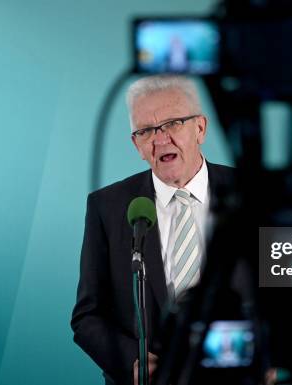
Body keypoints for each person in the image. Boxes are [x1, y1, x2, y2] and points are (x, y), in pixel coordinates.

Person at [71, 75, 234, 385]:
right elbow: (87, 316)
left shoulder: (252, 193)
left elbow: (287, 301)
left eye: (173, 123)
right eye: (146, 131)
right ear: (137, 145)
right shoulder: (107, 207)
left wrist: (271, 359)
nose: (160, 140)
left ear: (200, 128)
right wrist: (133, 361)